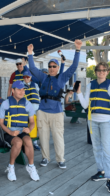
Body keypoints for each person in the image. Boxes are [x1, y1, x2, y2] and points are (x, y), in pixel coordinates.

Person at [27, 39, 83, 169]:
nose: (52, 68)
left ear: (58, 68)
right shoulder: (43, 77)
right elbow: (33, 68)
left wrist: (78, 49)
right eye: (50, 66)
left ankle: (60, 159)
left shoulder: (62, 77)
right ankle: (45, 157)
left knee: (58, 137)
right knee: (43, 137)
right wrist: (30, 54)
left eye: (54, 66)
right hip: (42, 112)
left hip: (57, 112)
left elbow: (74, 66)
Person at [76, 62, 110, 193]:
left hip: (107, 122)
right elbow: (85, 105)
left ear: (107, 71)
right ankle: (101, 171)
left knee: (108, 150)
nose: (101, 72)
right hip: (93, 121)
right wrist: (79, 93)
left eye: (104, 70)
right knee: (96, 148)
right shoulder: (90, 85)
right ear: (96, 71)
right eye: (99, 70)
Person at [0, 80, 39, 182]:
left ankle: (31, 166)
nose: (22, 92)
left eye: (23, 90)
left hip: (22, 131)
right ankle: (11, 167)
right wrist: (11, 132)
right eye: (19, 89)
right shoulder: (5, 103)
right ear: (13, 90)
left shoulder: (28, 104)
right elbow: (1, 122)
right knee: (18, 142)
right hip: (9, 132)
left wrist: (29, 128)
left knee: (29, 141)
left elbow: (32, 122)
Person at [22, 70, 41, 150]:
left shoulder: (35, 85)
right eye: (24, 77)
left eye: (28, 77)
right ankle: (28, 142)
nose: (26, 79)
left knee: (36, 126)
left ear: (30, 77)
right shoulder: (21, 86)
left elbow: (39, 95)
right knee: (28, 125)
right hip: (27, 109)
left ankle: (35, 142)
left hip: (37, 108)